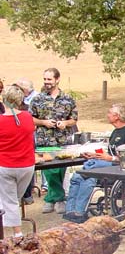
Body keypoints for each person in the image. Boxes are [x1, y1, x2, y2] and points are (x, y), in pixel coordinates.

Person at [63, 103, 125, 223]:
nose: (107, 115)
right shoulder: (115, 132)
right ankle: (70, 211)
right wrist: (95, 154)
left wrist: (110, 158)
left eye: (110, 113)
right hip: (107, 165)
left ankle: (79, 212)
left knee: (89, 176)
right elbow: (110, 152)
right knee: (76, 177)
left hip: (120, 168)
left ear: (117, 116)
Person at [29, 67, 78, 215]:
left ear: (57, 79)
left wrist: (65, 123)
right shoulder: (37, 99)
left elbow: (74, 119)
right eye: (45, 79)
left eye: (49, 79)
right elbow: (30, 119)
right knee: (50, 171)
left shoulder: (68, 99)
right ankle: (59, 198)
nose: (46, 82)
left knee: (60, 170)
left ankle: (50, 199)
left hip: (62, 140)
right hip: (44, 141)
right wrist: (43, 122)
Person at [0, 85, 36, 237]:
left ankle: (17, 233)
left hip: (6, 166)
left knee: (10, 201)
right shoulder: (27, 117)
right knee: (14, 199)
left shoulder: (1, 121)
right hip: (27, 166)